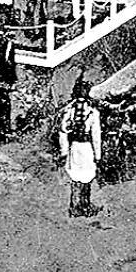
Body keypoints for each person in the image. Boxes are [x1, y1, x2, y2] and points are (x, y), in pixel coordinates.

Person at [59, 73, 102, 218]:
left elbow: (63, 130)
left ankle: (74, 206)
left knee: (75, 177)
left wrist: (64, 150)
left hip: (74, 147)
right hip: (86, 147)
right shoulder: (92, 112)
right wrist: (98, 155)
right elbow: (96, 135)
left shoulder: (69, 110)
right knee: (87, 177)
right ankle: (85, 205)